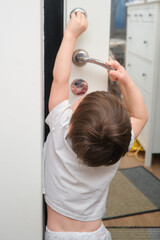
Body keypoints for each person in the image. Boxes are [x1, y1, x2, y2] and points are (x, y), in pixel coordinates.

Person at [43, 11, 148, 240]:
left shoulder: (61, 127)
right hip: (96, 235)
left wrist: (70, 33)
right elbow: (140, 116)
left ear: (71, 124)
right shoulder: (116, 147)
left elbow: (60, 79)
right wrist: (126, 82)